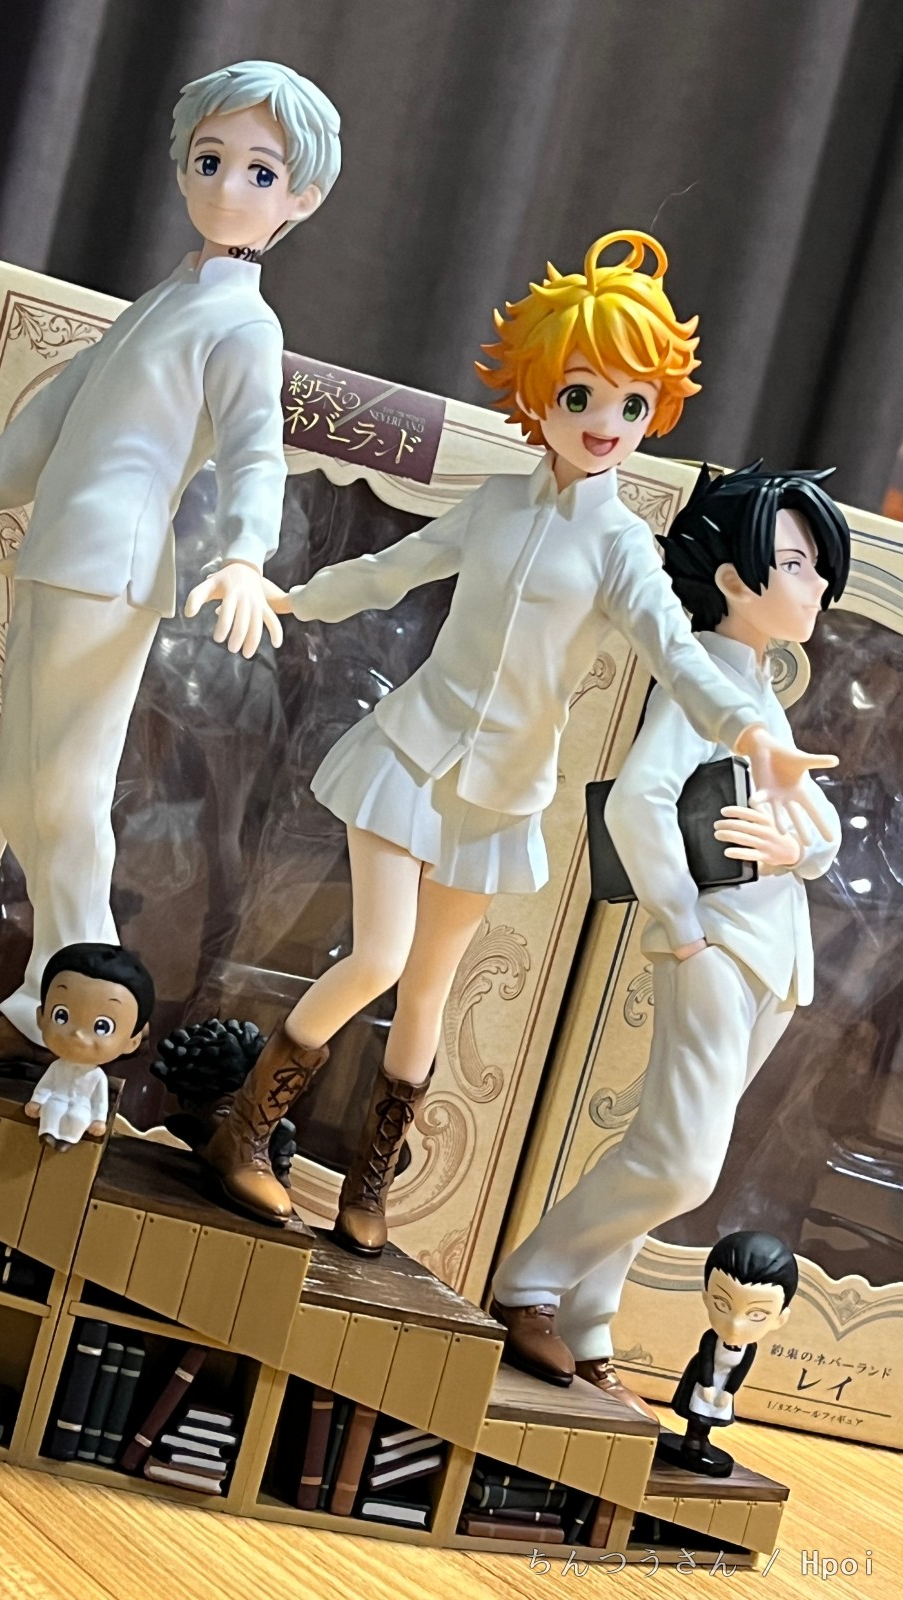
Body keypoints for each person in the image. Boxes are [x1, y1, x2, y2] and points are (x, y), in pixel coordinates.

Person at [197, 233, 840, 1254]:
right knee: (378, 957)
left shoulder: (624, 547)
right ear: (538, 394)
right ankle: (244, 1128)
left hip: (499, 791)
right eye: (582, 395)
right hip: (412, 753)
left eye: (633, 405)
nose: (606, 423)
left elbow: (678, 657)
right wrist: (291, 597)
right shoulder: (496, 504)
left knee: (428, 989)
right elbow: (394, 570)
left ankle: (369, 1182)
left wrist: (753, 733)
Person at [0, 61, 341, 1073]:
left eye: (261, 172)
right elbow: (58, 413)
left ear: (301, 198)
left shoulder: (244, 323)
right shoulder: (169, 297)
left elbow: (256, 450)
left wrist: (245, 553)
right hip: (60, 553)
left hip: (111, 569)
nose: (229, 185)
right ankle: (50, 1000)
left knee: (66, 796)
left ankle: (80, 1013)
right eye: (210, 159)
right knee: (24, 795)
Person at [490, 461, 846, 1411]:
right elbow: (637, 806)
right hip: (720, 948)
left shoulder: (757, 689)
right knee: (679, 1163)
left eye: (817, 566)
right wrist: (684, 926)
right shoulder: (699, 685)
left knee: (673, 1151)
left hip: (772, 959)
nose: (816, 584)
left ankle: (588, 1323)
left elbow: (821, 827)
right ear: (732, 579)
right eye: (796, 564)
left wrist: (797, 848)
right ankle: (528, 1283)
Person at [657, 1230, 798, 1476]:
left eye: (756, 1315)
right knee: (697, 1409)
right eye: (722, 1304)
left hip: (723, 1385)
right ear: (706, 1297)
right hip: (703, 1379)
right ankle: (693, 1438)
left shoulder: (749, 1348)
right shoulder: (711, 1339)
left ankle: (702, 1440)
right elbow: (706, 1361)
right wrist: (707, 1384)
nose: (735, 1324)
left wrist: (729, 1391)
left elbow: (740, 1371)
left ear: (780, 1318)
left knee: (712, 1413)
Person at [26, 943, 154, 1149]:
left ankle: (67, 1139)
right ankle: (49, 1133)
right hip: (57, 1098)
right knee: (52, 1109)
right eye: (61, 1016)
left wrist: (98, 1120)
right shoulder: (57, 1067)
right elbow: (46, 1085)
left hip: (82, 1106)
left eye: (102, 1027)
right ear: (41, 1017)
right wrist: (38, 1100)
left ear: (132, 1042)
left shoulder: (97, 1077)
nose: (77, 1034)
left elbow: (100, 1101)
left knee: (78, 1118)